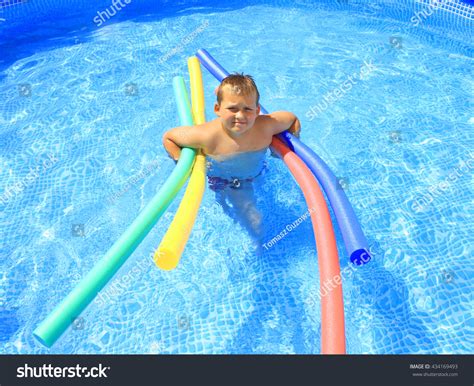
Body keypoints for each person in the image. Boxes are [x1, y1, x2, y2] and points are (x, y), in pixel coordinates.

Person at [162, 73, 301, 242]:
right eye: (232, 109)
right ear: (217, 110)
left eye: (247, 109)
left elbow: (292, 119)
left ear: (257, 111)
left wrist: (288, 146)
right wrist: (183, 163)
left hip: (258, 171)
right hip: (227, 181)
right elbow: (169, 137)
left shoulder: (266, 126)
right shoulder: (207, 136)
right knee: (256, 224)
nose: (240, 116)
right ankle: (260, 248)